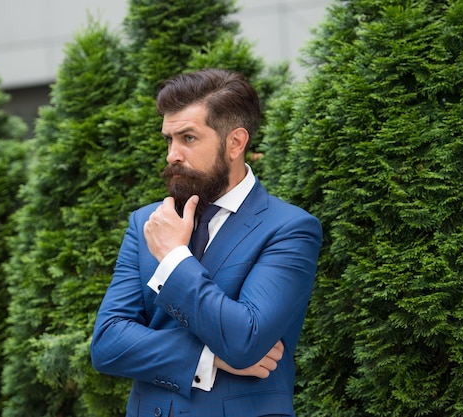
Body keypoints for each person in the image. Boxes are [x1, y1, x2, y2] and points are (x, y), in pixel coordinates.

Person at [91, 68, 322, 417]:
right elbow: (107, 344)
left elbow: (245, 340)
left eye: (188, 138)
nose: (172, 154)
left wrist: (173, 258)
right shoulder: (147, 223)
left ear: (235, 142)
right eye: (169, 139)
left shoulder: (290, 228)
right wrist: (209, 358)